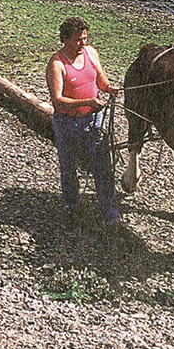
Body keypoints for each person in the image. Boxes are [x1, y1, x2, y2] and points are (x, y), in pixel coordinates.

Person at [46, 16, 122, 232]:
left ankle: (111, 216)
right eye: (78, 40)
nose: (83, 44)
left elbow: (100, 80)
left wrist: (108, 89)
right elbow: (57, 100)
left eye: (85, 39)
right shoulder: (57, 64)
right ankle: (72, 205)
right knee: (68, 168)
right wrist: (87, 101)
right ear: (65, 39)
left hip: (93, 120)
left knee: (103, 167)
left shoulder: (91, 53)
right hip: (67, 123)